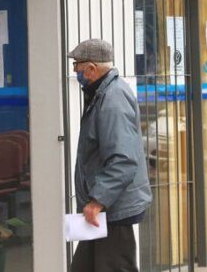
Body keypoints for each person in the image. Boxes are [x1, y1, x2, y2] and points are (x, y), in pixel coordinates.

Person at [68, 38, 152, 272]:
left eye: (76, 65)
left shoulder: (112, 99)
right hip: (104, 209)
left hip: (112, 209)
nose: (75, 71)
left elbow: (123, 159)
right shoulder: (102, 94)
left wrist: (97, 201)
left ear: (91, 68)